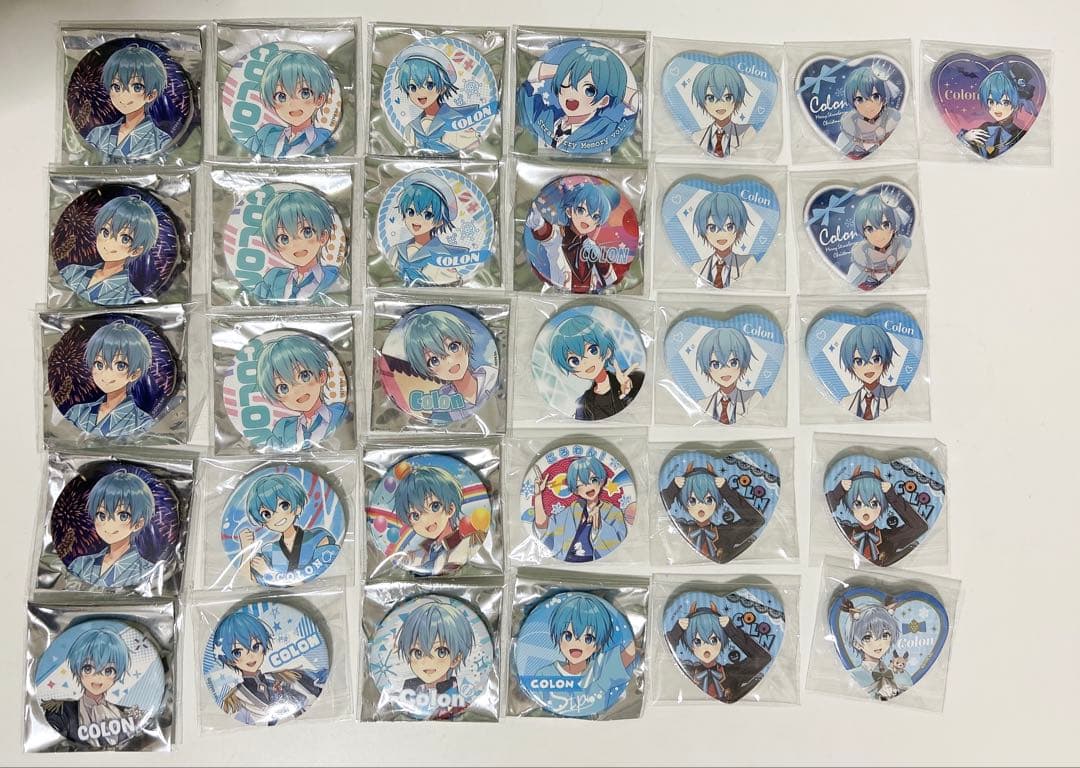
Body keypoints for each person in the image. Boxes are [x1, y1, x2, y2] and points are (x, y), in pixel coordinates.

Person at [517, 40, 636, 153]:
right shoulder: (546, 115)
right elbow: (528, 85)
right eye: (566, 84)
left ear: (604, 101)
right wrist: (564, 70)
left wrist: (614, 86)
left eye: (589, 90)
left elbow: (635, 104)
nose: (572, 95)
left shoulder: (607, 129)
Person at [214, 611, 324, 725]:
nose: (251, 656)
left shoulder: (284, 676)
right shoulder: (236, 697)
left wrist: (285, 694)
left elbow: (312, 692)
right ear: (229, 659)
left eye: (255, 647)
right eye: (237, 652)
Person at [44, 627, 141, 747]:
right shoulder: (61, 712)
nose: (98, 678)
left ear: (117, 675)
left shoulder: (126, 714)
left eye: (108, 670)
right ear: (78, 670)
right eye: (88, 668)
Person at [529, 455, 633, 562]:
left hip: (597, 567)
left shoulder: (614, 513)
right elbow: (545, 527)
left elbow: (618, 547)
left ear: (601, 481)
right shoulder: (573, 510)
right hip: (566, 565)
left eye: (593, 480)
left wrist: (599, 526)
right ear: (575, 490)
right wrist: (538, 495)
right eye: (580, 484)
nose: (588, 486)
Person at [526, 180, 625, 293]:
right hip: (559, 296)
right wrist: (538, 223)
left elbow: (611, 280)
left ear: (598, 223)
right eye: (581, 210)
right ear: (569, 211)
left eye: (595, 217)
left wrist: (601, 260)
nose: (587, 219)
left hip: (591, 298)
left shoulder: (592, 246)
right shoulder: (559, 235)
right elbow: (546, 233)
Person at [238, 473, 337, 585]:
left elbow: (317, 570)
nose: (277, 516)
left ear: (298, 508)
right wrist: (245, 549)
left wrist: (269, 573)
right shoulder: (270, 551)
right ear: (264, 524)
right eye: (266, 514)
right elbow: (249, 578)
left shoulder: (318, 537)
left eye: (284, 506)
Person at [254, 334, 349, 450]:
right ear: (277, 397)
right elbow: (271, 454)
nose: (297, 391)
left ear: (322, 376)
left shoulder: (340, 413)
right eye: (283, 388)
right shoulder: (283, 429)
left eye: (304, 376)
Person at [666, 601, 772, 702]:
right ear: (691, 646)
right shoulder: (687, 670)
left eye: (713, 640)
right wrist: (676, 632)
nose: (706, 648)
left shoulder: (732, 673)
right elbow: (663, 658)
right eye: (697, 642)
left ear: (721, 642)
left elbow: (762, 658)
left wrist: (731, 631)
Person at [402, 310, 497, 422]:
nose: (449, 361)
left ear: (466, 345)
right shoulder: (441, 406)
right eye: (434, 360)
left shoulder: (491, 377)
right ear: (429, 370)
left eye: (453, 347)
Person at [60, 195, 157, 305]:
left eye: (125, 239)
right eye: (105, 232)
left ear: (136, 251)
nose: (108, 244)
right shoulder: (72, 271)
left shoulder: (130, 298)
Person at [659, 463, 765, 563]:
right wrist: (672, 489)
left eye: (709, 500)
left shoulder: (726, 533)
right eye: (692, 501)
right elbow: (659, 511)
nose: (701, 506)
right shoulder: (682, 529)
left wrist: (726, 491)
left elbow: (756, 521)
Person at [67, 470, 156, 587]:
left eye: (123, 516)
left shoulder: (148, 571)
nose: (109, 525)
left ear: (138, 524)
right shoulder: (80, 565)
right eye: (101, 515)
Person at [65, 321, 155, 437]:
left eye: (120, 366)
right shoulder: (76, 412)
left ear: (135, 374)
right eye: (99, 364)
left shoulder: (142, 422)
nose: (106, 375)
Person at [547, 314, 643, 420]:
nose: (585, 362)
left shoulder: (631, 379)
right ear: (573, 371)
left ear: (607, 352)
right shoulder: (583, 404)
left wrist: (628, 392)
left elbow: (642, 408)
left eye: (592, 350)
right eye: (574, 361)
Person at [825, 468, 928, 566]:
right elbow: (825, 512)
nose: (866, 511)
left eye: (874, 504)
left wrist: (892, 497)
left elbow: (919, 527)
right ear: (850, 506)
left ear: (881, 506)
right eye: (857, 504)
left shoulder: (889, 538)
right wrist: (837, 493)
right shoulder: (845, 531)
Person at [85, 44, 171, 160]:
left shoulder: (161, 141)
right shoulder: (97, 134)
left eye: (137, 87)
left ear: (151, 95)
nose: (124, 96)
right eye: (116, 87)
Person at [253, 188, 339, 303]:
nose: (296, 245)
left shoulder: (334, 278)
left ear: (323, 237)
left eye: (307, 232)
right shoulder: (273, 279)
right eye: (284, 238)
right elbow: (252, 301)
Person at [395, 598, 475, 718]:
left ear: (455, 659)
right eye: (418, 653)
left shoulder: (461, 703)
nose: (427, 661)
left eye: (441, 652)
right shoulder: (401, 699)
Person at [244, 50, 334, 158]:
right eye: (281, 96)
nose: (292, 104)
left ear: (320, 99)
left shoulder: (326, 139)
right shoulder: (266, 134)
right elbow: (241, 155)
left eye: (305, 93)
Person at [388, 173, 472, 286]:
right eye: (410, 212)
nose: (416, 220)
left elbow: (450, 286)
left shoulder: (442, 258)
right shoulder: (396, 250)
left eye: (427, 215)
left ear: (440, 221)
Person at [395, 45, 481, 153]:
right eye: (412, 87)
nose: (420, 93)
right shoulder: (411, 128)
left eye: (429, 85)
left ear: (443, 88)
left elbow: (473, 148)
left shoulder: (456, 122)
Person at [695, 326, 760, 425]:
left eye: (733, 363)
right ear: (707, 369)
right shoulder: (702, 404)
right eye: (716, 365)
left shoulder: (753, 398)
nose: (725, 371)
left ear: (742, 364)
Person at [690, 191, 750, 289]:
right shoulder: (697, 267)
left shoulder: (747, 263)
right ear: (704, 231)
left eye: (730, 227)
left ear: (739, 229)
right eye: (712, 228)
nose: (721, 234)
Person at [838, 65, 902, 158]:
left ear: (883, 98)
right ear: (853, 103)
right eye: (859, 99)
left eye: (875, 97)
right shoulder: (849, 127)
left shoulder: (891, 121)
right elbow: (841, 151)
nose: (868, 105)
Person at [839, 324, 897, 421]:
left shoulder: (896, 394)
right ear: (851, 366)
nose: (868, 367)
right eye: (859, 362)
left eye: (876, 359)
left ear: (885, 361)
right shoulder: (846, 401)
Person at [691, 63, 747, 157]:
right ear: (703, 102)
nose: (720, 104)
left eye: (728, 97)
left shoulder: (746, 133)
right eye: (711, 98)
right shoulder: (697, 136)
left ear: (737, 100)